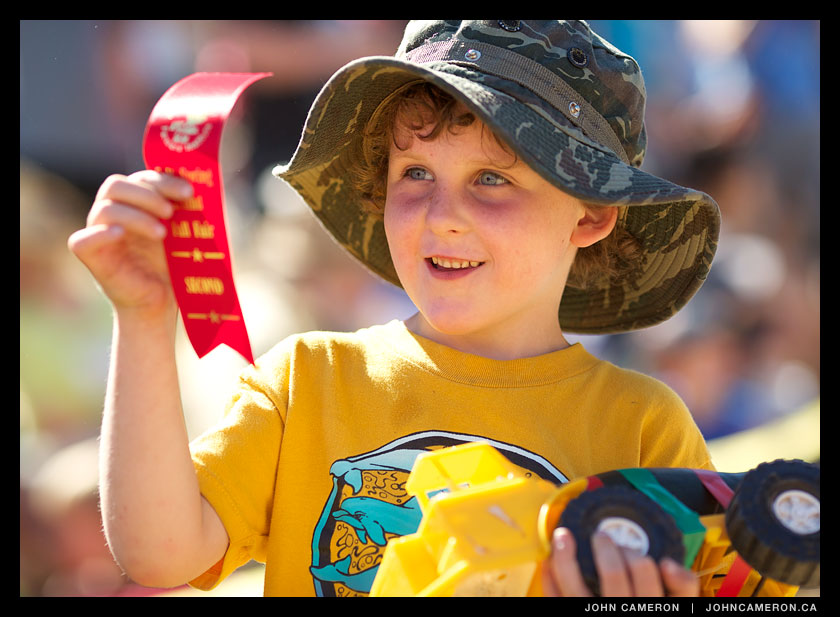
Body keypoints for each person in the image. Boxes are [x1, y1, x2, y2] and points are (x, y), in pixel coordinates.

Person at [68, 20, 720, 597]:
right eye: (415, 173)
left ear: (591, 213)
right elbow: (160, 553)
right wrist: (145, 315)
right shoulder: (308, 380)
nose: (442, 216)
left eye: (492, 178)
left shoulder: (642, 427)